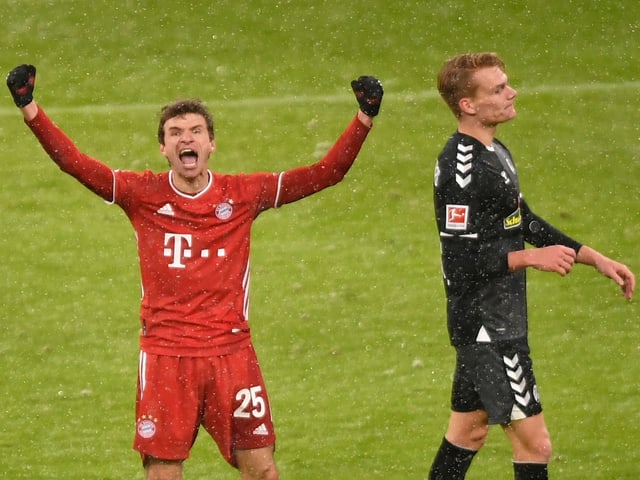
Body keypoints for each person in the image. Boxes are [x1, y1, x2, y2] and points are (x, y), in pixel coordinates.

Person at [6, 64, 383, 480]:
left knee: (262, 471)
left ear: (211, 144)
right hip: (167, 357)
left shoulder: (243, 193)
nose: (187, 138)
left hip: (232, 355)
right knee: (163, 475)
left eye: (196, 131)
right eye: (176, 133)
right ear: (164, 149)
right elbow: (74, 163)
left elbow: (326, 173)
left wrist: (363, 118)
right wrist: (30, 108)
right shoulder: (141, 193)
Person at [429, 52, 635, 480]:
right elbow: (458, 260)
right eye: (498, 88)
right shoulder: (460, 170)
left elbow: (521, 220)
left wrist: (591, 256)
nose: (512, 92)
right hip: (486, 326)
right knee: (535, 445)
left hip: (499, 318)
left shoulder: (495, 150)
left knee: (467, 432)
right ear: (468, 105)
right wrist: (528, 257)